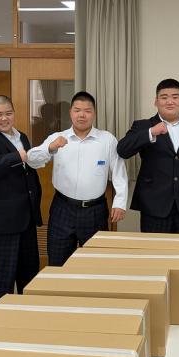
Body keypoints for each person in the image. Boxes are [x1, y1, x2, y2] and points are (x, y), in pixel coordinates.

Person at [116, 78, 179, 329]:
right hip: (154, 204)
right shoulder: (143, 126)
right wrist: (151, 133)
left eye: (175, 96)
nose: (170, 101)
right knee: (155, 260)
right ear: (156, 101)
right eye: (164, 97)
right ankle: (157, 311)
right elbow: (122, 150)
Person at [27, 91, 128, 265]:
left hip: (95, 211)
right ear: (70, 113)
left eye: (87, 111)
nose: (82, 115)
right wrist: (50, 148)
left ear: (94, 113)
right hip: (62, 209)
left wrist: (120, 202)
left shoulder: (107, 140)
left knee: (96, 264)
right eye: (77, 110)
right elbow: (31, 160)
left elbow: (119, 172)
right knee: (58, 262)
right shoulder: (57, 138)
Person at [0, 95, 42, 306]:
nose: (4, 118)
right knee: (3, 275)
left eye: (8, 113)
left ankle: (26, 314)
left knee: (29, 272)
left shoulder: (21, 136)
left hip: (26, 218)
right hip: (2, 222)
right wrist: (15, 157)